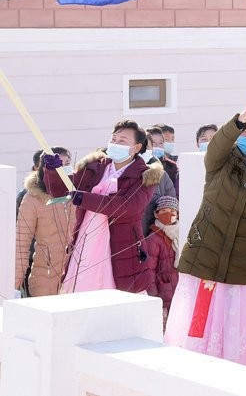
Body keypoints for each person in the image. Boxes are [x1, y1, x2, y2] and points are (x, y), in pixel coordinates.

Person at [165, 101, 246, 368]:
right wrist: (241, 119)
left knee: (235, 320)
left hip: (243, 259)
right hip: (207, 251)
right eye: (243, 131)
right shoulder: (219, 160)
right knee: (200, 322)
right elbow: (218, 145)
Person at [42, 120, 162, 294]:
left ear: (136, 148)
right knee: (81, 290)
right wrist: (52, 171)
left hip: (120, 247)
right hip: (86, 240)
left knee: (115, 296)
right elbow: (61, 190)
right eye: (113, 139)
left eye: (122, 141)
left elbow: (126, 207)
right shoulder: (94, 167)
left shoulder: (144, 176)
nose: (115, 143)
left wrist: (85, 198)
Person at [16, 148, 73, 297]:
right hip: (45, 276)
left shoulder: (77, 195)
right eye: (59, 164)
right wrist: (13, 286)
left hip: (76, 275)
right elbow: (21, 244)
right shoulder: (33, 198)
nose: (64, 168)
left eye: (67, 163)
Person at [144, 195, 180, 325]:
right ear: (156, 214)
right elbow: (149, 268)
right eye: (164, 211)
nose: (168, 214)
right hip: (163, 290)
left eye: (172, 211)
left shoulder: (180, 233)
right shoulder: (154, 238)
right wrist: (152, 292)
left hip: (179, 289)